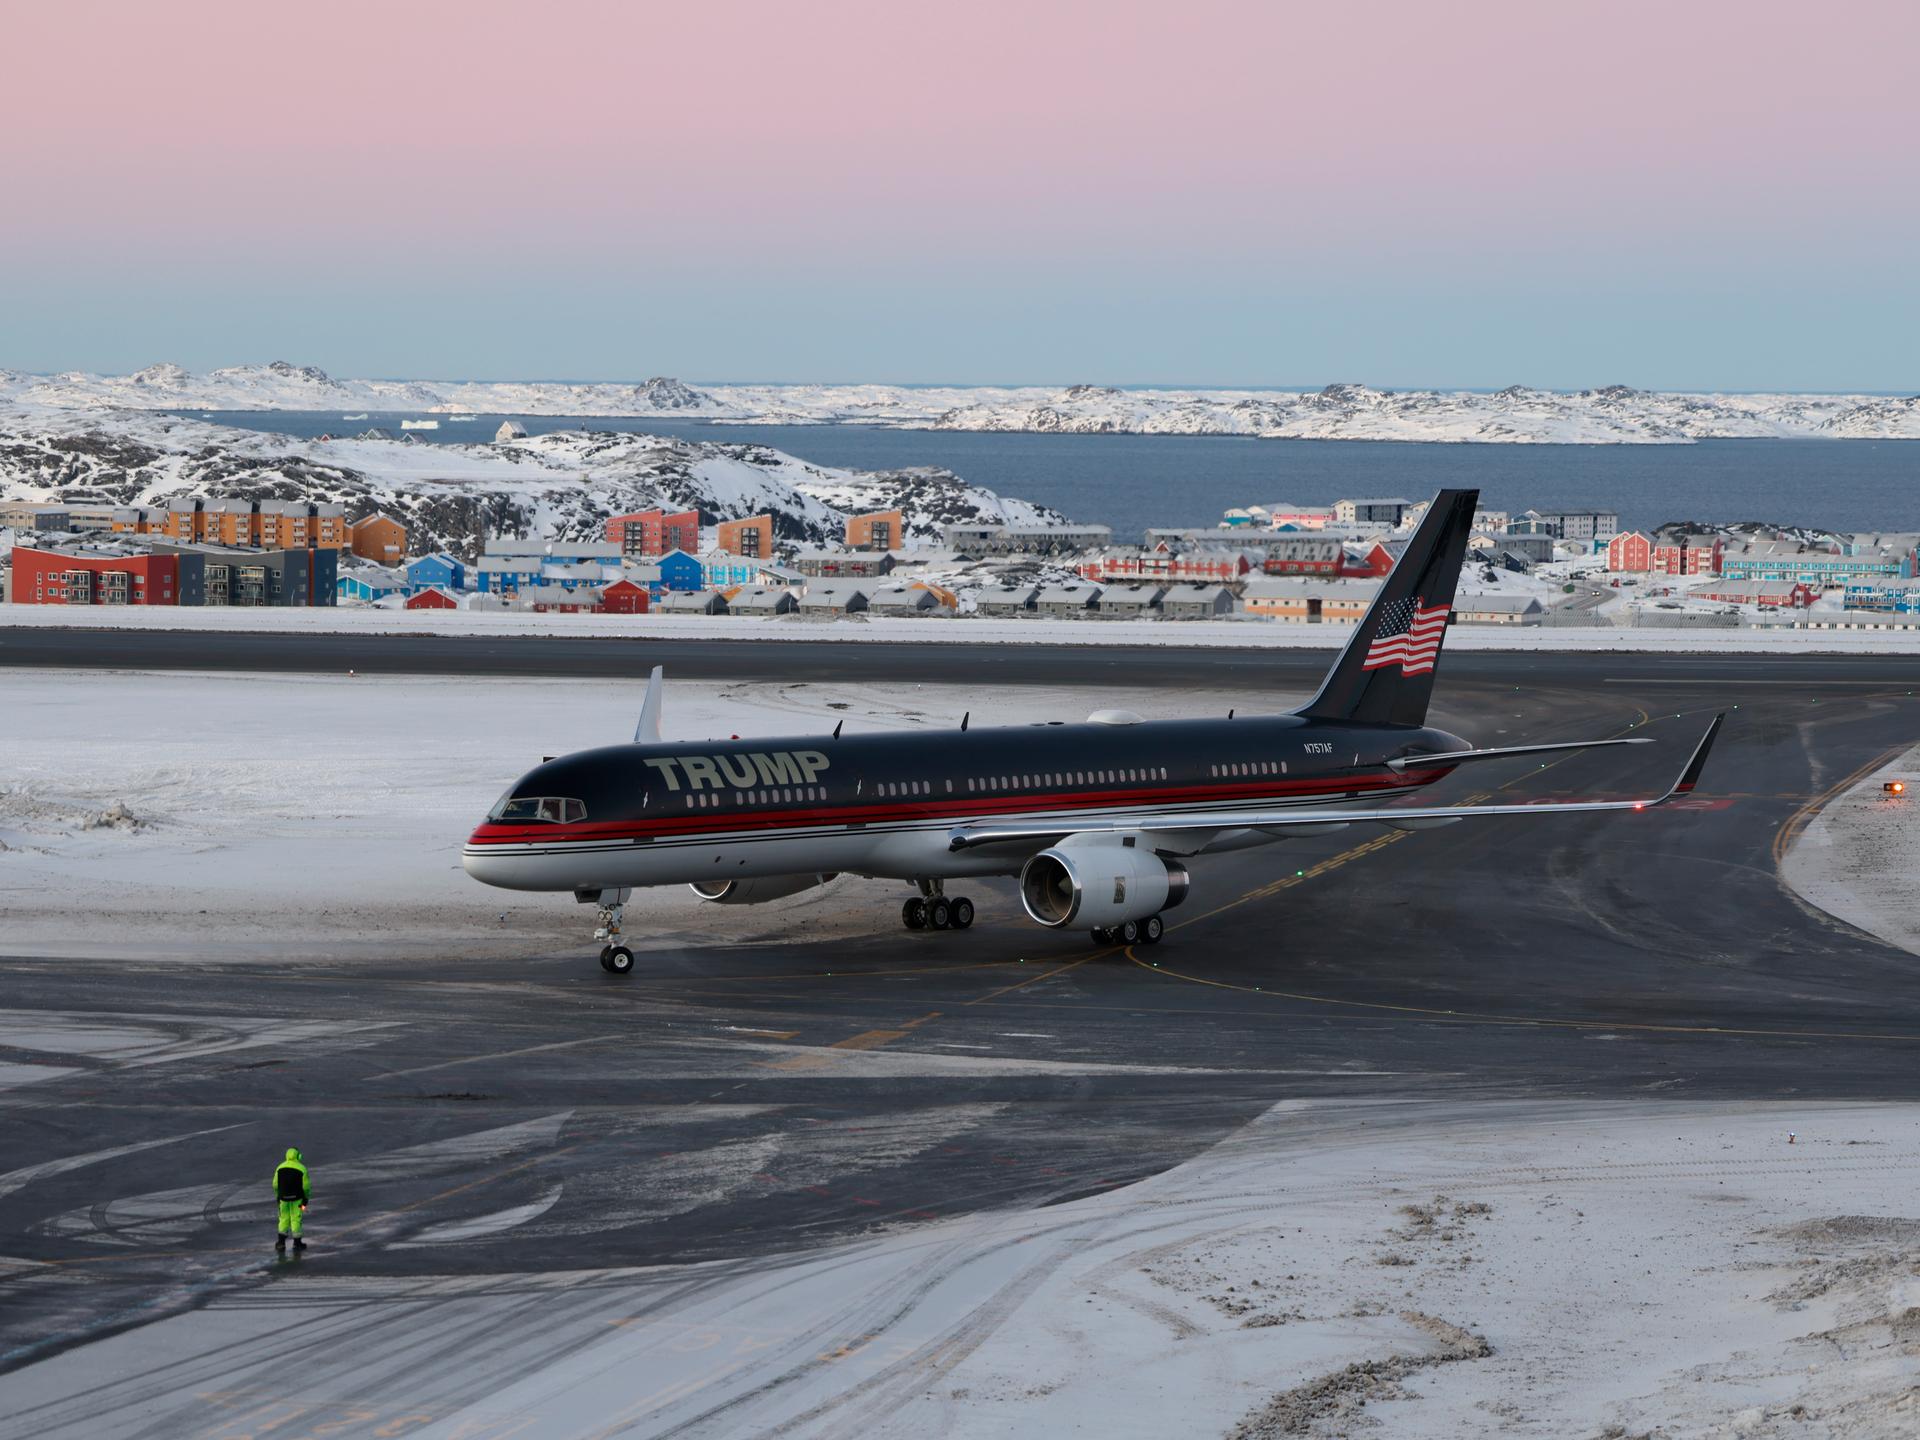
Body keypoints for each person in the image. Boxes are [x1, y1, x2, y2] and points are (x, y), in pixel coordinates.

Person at [274, 1147, 310, 1253]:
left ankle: (281, 1243)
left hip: (283, 1199)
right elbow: (306, 1187)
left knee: (283, 1219)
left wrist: (278, 1196)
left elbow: (275, 1184)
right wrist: (306, 1199)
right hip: (297, 1199)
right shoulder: (302, 1168)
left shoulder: (280, 1167)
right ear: (298, 1156)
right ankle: (297, 1243)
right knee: (296, 1219)